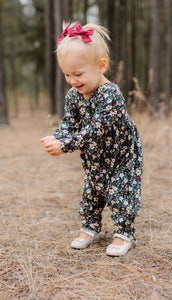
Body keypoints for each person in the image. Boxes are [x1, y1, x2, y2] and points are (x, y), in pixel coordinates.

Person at [41, 22, 143, 256]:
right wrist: (57, 138)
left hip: (123, 155)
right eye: (66, 74)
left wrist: (65, 145)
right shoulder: (74, 95)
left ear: (101, 66)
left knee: (121, 191)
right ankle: (90, 227)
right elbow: (70, 123)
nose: (72, 80)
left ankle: (124, 233)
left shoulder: (111, 94)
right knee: (92, 191)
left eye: (78, 74)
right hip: (95, 156)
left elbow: (96, 129)